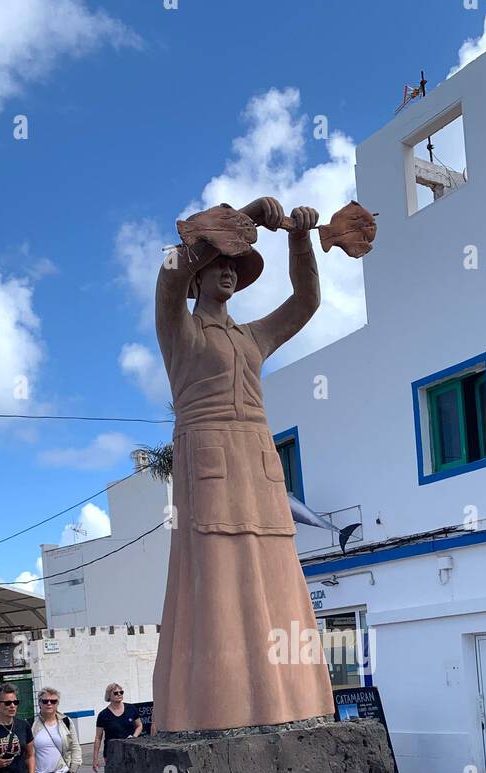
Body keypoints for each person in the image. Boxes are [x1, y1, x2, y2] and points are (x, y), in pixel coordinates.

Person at [151, 196, 334, 731]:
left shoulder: (253, 335)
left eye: (235, 265)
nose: (228, 272)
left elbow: (306, 301)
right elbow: (166, 280)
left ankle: (292, 699)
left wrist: (299, 240)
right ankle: (217, 705)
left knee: (276, 573)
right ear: (199, 276)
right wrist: (239, 221)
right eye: (218, 264)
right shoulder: (182, 333)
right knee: (218, 573)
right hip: (207, 457)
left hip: (256, 459)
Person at [93, 683, 143, 772]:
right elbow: (98, 738)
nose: (119, 694)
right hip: (112, 752)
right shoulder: (103, 715)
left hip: (130, 750)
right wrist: (95, 758)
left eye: (121, 692)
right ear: (109, 696)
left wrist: (134, 736)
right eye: (116, 693)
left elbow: (139, 726)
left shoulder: (131, 708)